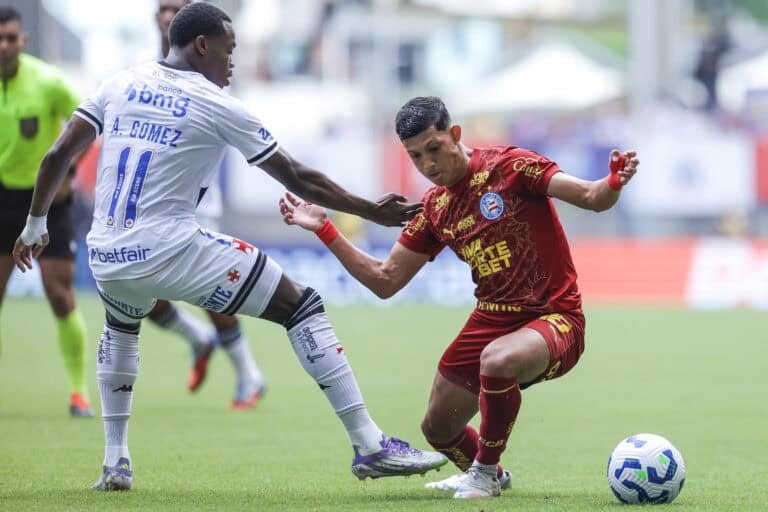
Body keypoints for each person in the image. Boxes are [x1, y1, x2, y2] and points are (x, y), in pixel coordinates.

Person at [12, 3, 446, 491]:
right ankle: (369, 444)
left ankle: (115, 463)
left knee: (121, 328)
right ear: (203, 45)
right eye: (229, 49)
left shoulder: (120, 82)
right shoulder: (216, 103)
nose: (232, 61)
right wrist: (369, 210)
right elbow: (296, 175)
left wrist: (34, 225)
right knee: (301, 305)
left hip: (107, 256)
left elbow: (57, 154)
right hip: (169, 247)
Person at [279, 96, 639, 499]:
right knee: (438, 427)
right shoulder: (436, 208)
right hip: (491, 319)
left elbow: (591, 197)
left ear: (455, 134)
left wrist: (612, 182)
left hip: (555, 318)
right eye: (416, 156)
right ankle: (493, 473)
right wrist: (325, 229)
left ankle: (482, 475)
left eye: (434, 148)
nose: (428, 164)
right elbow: (385, 280)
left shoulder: (511, 166)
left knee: (497, 360)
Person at [144, 0, 267, 409]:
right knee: (135, 290)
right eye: (163, 8)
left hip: (196, 203)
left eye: (176, 7)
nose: (168, 14)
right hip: (148, 203)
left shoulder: (209, 67)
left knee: (210, 291)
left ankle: (249, 374)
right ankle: (198, 338)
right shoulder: (140, 70)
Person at [0, 6, 93, 417]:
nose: (4, 46)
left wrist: (69, 173)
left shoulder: (48, 82)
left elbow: (89, 124)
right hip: (2, 200)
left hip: (47, 200)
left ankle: (78, 392)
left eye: (11, 38)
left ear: (23, 41)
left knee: (59, 294)